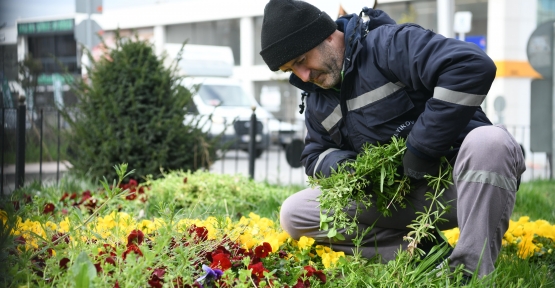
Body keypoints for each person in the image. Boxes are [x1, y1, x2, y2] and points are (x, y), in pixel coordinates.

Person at [259, 0, 526, 278]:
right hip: (395, 199)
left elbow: (472, 66)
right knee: (295, 212)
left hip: (459, 188)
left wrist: (421, 148)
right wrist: (348, 167)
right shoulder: (316, 97)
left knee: (491, 142)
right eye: (291, 70)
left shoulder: (388, 44)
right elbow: (315, 155)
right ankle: (425, 253)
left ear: (325, 34)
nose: (303, 76)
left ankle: (469, 273)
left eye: (301, 61)